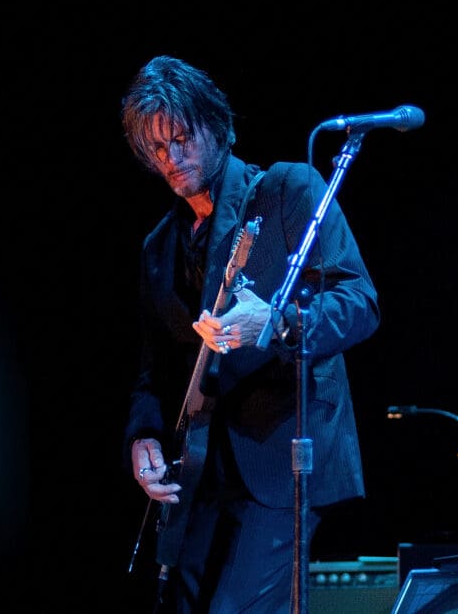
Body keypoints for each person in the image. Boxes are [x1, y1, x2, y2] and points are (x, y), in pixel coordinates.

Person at [121, 55, 380, 613]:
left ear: (216, 125)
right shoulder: (158, 248)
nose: (173, 157)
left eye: (182, 138)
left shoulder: (287, 191)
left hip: (282, 458)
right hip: (199, 471)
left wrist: (279, 323)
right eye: (157, 149)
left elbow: (359, 303)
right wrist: (142, 436)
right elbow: (155, 369)